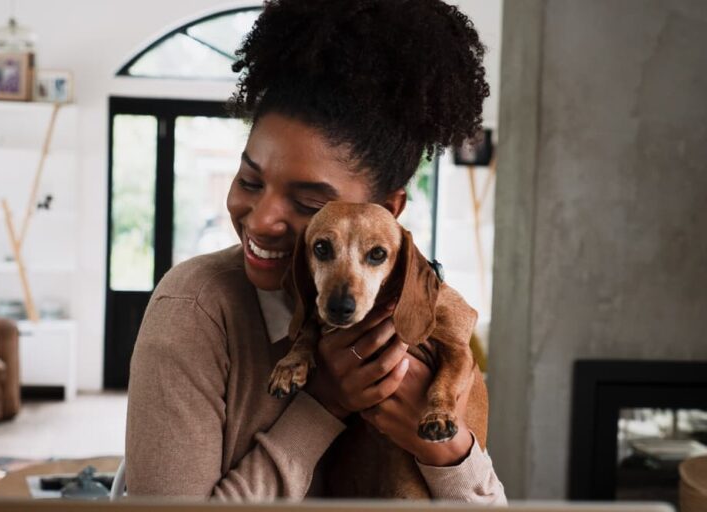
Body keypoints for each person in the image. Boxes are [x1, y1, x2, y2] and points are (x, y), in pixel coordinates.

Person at [125, 0, 506, 503]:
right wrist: (325, 402)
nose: (260, 220)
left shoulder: (422, 315)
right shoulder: (196, 308)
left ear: (388, 211)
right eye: (249, 180)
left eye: (309, 203)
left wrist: (444, 448)